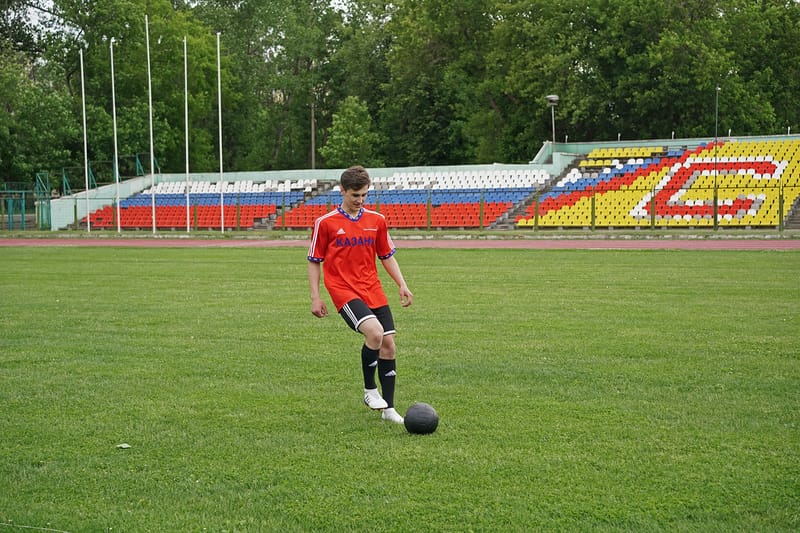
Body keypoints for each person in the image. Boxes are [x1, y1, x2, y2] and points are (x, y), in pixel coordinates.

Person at [308, 165, 413, 424]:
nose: (360, 200)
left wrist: (402, 284)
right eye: (355, 195)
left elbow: (387, 256)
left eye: (364, 195)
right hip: (343, 290)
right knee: (375, 334)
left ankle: (389, 410)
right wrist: (315, 296)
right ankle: (369, 391)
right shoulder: (326, 223)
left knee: (388, 346)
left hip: (372, 289)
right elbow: (314, 260)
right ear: (342, 191)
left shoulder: (376, 220)